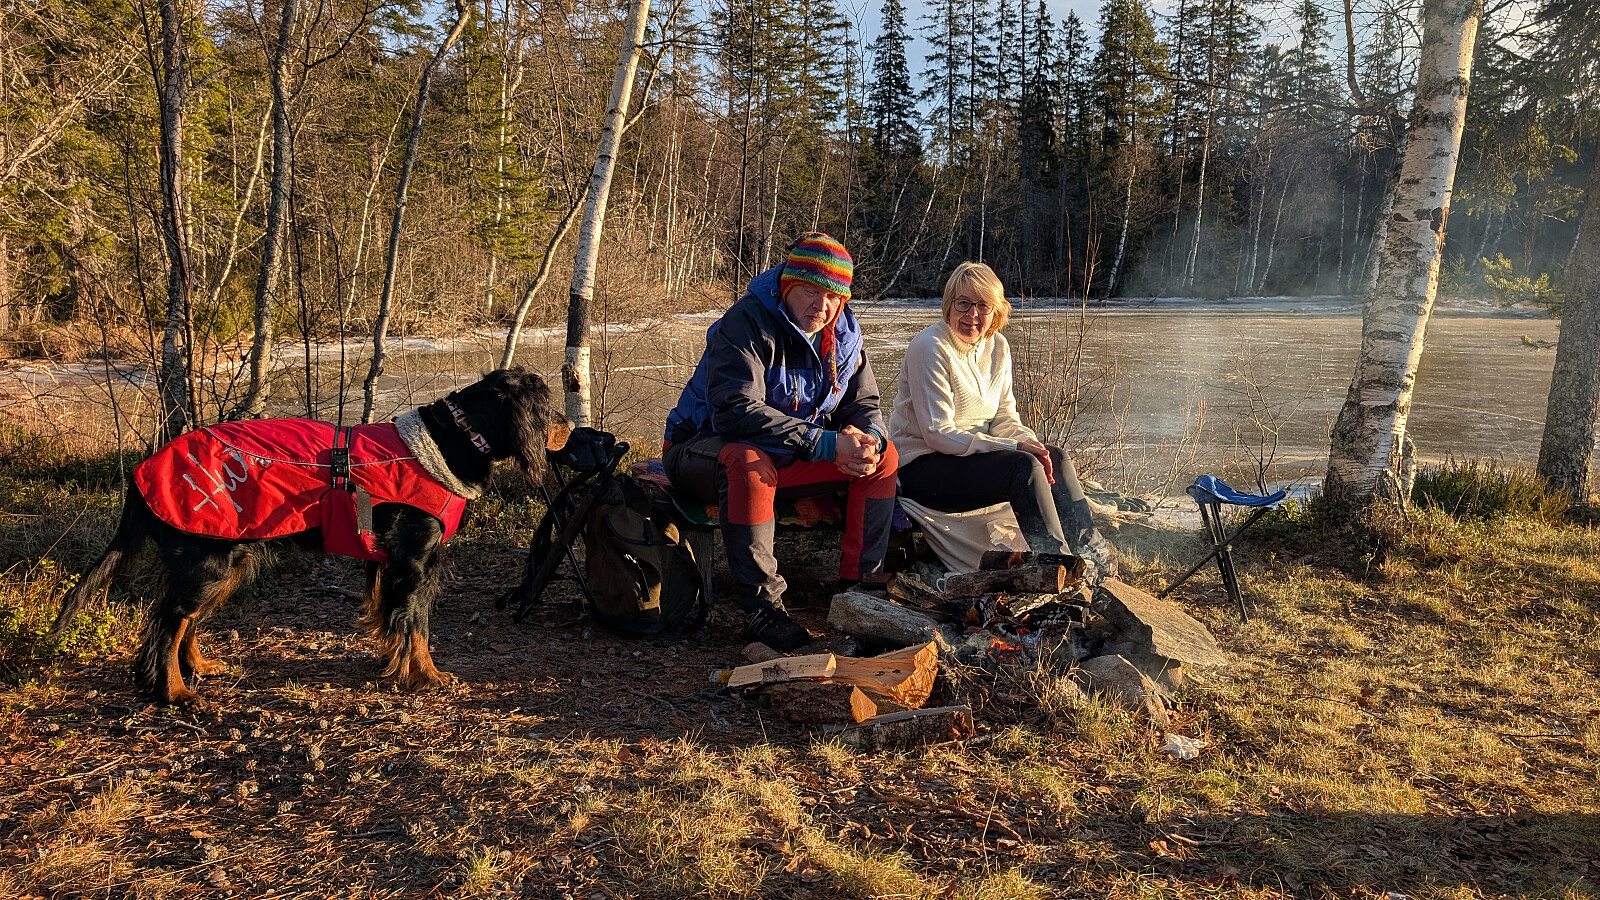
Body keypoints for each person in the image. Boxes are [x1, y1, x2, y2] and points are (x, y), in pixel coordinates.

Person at [664, 233, 899, 651]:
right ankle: (762, 608)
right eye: (811, 291)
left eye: (833, 297)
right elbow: (734, 412)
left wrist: (870, 439)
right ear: (788, 285)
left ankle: (861, 589)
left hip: (789, 454)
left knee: (882, 459)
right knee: (748, 461)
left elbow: (863, 404)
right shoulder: (746, 322)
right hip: (701, 449)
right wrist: (824, 443)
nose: (821, 306)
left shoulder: (845, 334)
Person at [889, 261, 1117, 579]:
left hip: (971, 461)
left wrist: (1029, 443)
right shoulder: (930, 347)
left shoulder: (997, 346)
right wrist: (1015, 448)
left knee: (1054, 457)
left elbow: (1004, 417)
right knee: (1023, 468)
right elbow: (937, 433)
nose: (972, 314)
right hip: (923, 468)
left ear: (996, 311)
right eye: (963, 303)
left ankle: (1091, 554)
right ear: (949, 305)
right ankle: (1055, 565)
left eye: (983, 306)